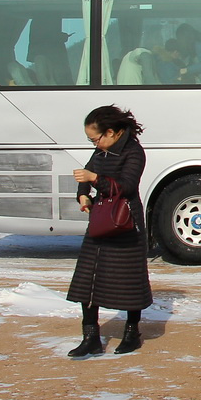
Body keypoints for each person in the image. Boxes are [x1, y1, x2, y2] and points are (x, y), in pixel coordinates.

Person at [66, 105, 152, 357]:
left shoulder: (134, 152)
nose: (94, 144)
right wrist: (83, 196)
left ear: (111, 132)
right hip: (101, 219)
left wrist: (94, 179)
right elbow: (85, 178)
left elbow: (126, 186)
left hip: (126, 220)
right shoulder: (100, 152)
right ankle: (90, 337)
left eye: (95, 138)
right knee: (87, 279)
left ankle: (131, 332)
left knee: (129, 280)